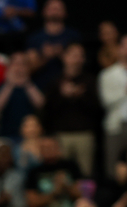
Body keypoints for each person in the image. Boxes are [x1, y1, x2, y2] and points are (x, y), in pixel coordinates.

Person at [43, 44, 100, 177]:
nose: (77, 59)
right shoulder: (55, 82)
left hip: (84, 134)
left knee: (86, 174)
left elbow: (97, 109)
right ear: (65, 57)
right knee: (62, 174)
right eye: (74, 55)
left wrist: (79, 96)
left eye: (81, 56)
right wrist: (64, 96)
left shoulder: (90, 80)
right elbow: (48, 110)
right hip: (61, 135)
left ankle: (85, 198)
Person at [26, 0, 81, 87]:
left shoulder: (73, 36)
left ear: (65, 13)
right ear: (43, 12)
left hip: (67, 87)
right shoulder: (34, 38)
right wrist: (45, 57)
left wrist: (63, 55)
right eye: (51, 8)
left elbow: (81, 64)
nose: (54, 11)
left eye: (58, 9)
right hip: (40, 87)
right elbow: (28, 68)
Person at [98, 35, 127, 179]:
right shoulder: (107, 74)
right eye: (126, 45)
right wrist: (124, 92)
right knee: (113, 169)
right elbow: (105, 101)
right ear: (120, 49)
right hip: (116, 126)